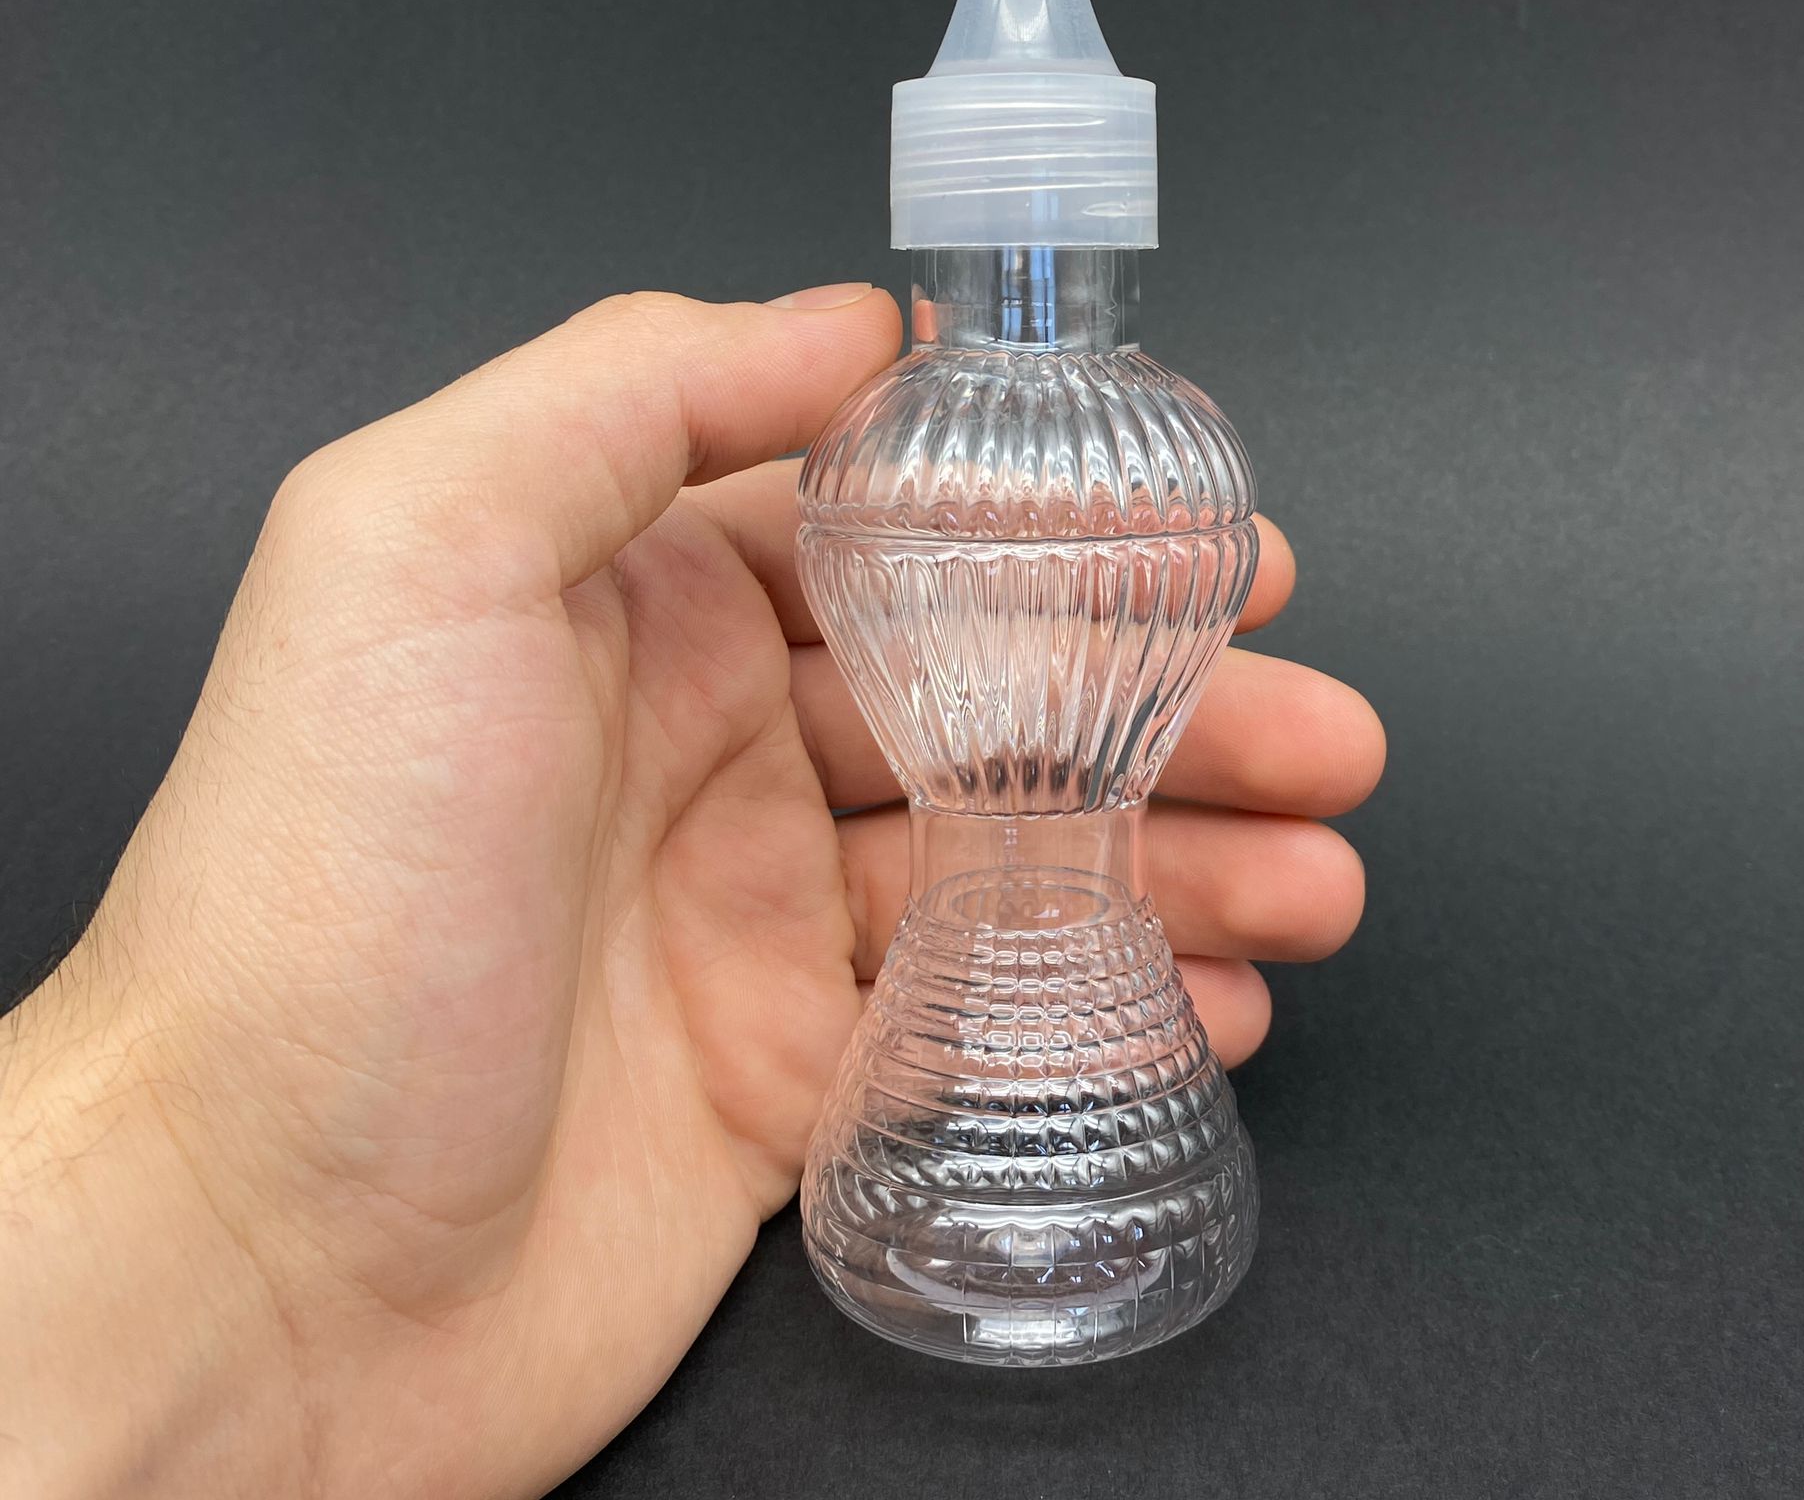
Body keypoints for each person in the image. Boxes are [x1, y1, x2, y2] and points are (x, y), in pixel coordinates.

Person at [0, 284, 1384, 1497]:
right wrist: (212, 1175)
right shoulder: (949, 448)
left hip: (1100, 1078)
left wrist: (204, 1217)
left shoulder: (1119, 446)